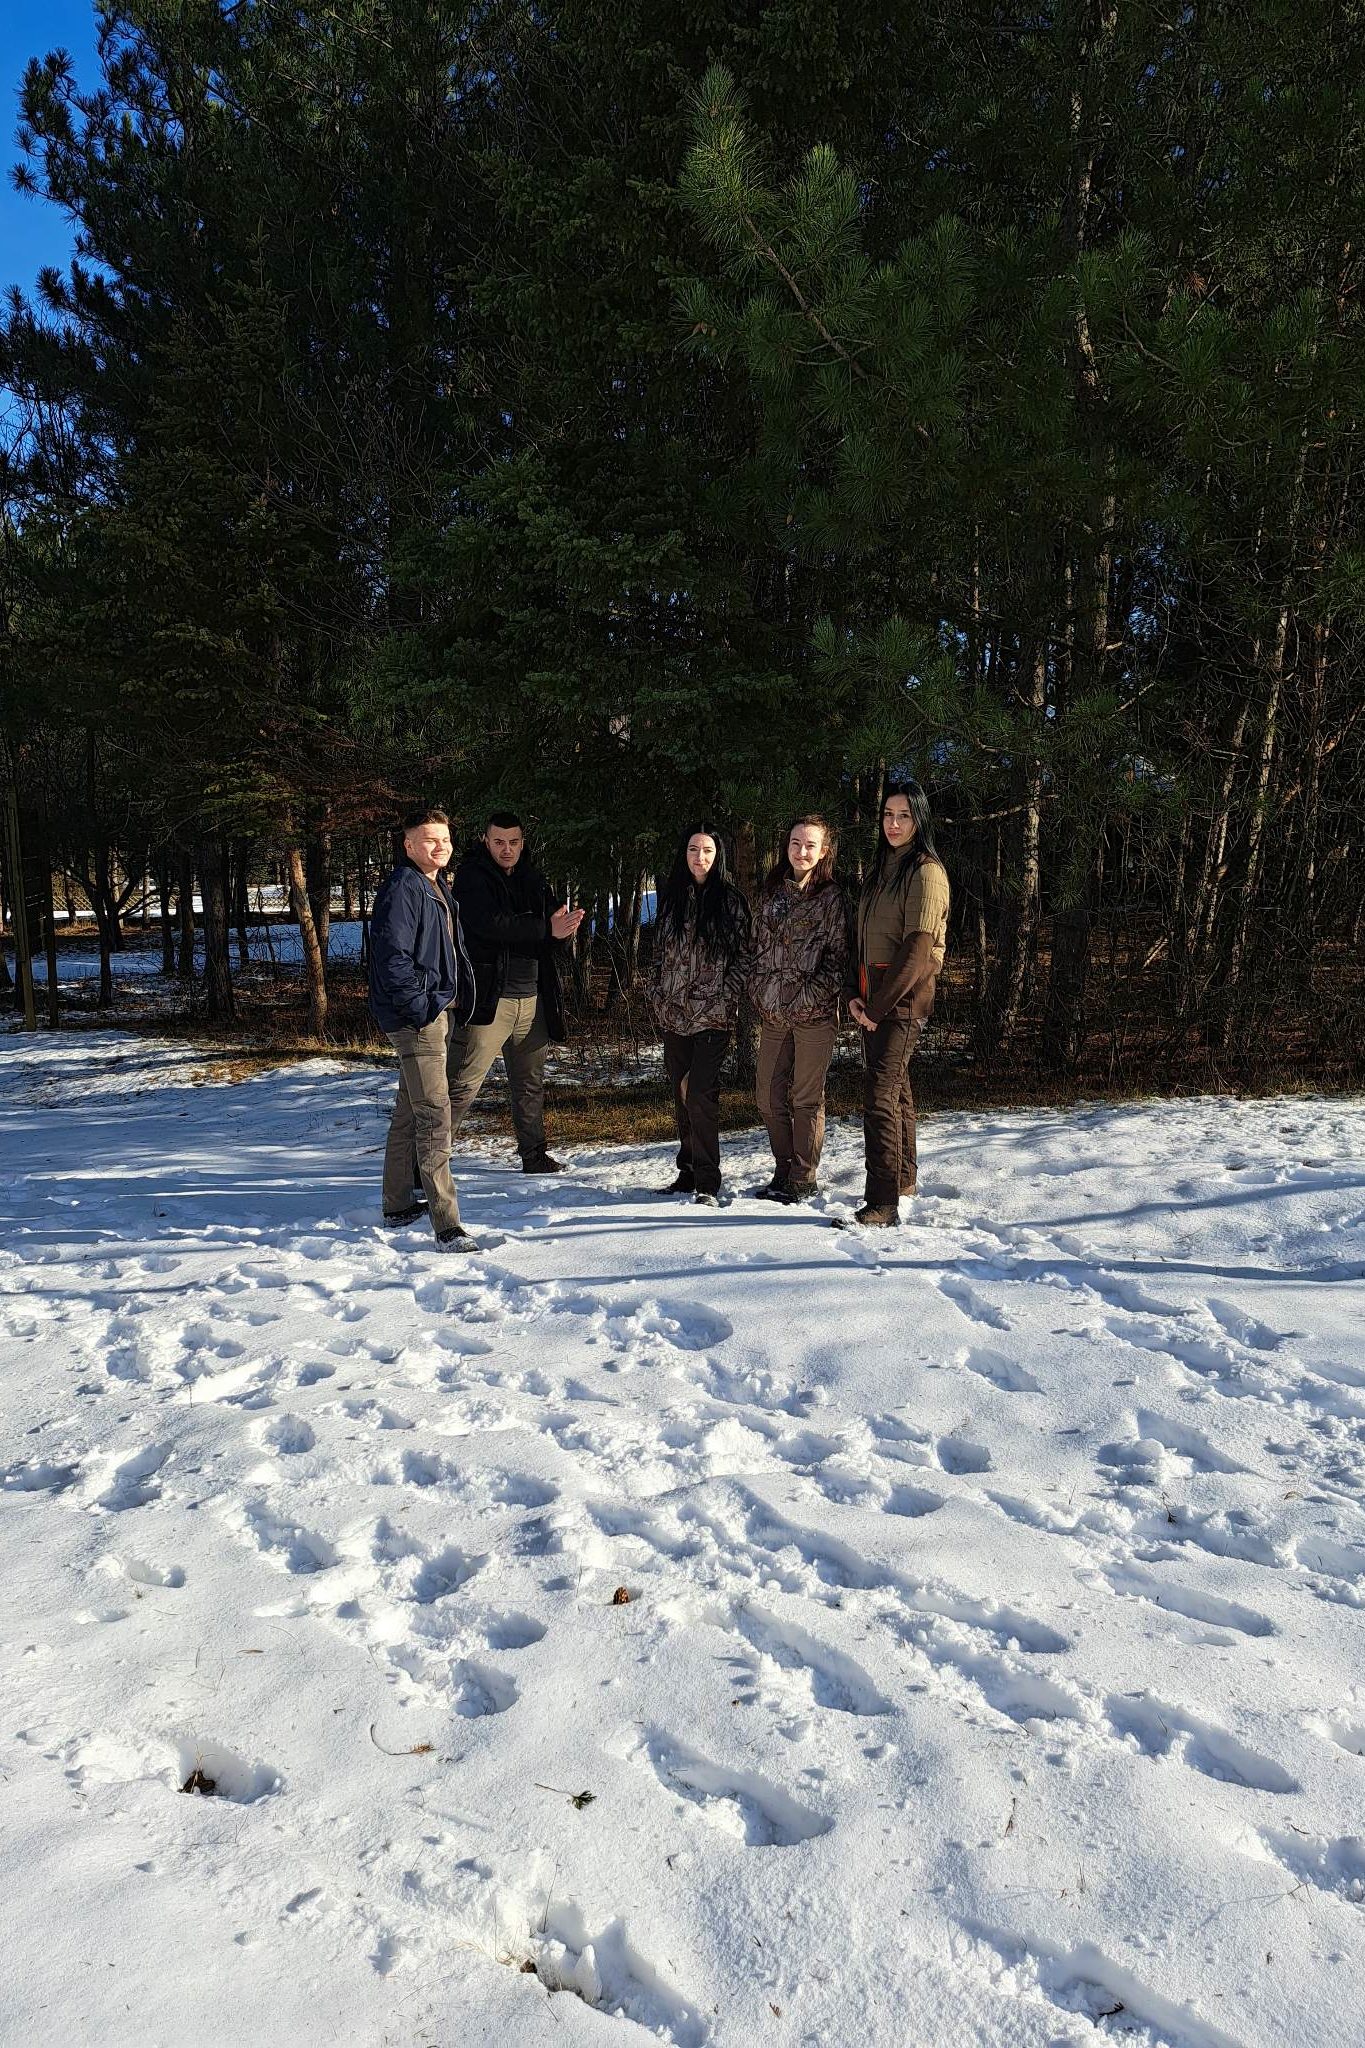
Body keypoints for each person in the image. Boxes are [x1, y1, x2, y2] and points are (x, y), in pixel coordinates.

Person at [446, 810, 584, 1171]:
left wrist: (562, 928)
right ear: (485, 841)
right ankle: (426, 1162)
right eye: (499, 842)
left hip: (532, 997)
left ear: (523, 842)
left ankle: (534, 1156)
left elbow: (551, 926)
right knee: (462, 1085)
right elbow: (489, 925)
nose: (507, 849)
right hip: (492, 1000)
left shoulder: (533, 878)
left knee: (530, 1084)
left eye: (514, 842)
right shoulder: (472, 877)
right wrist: (543, 929)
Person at [368, 807, 479, 1251]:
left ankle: (397, 1204)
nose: (440, 847)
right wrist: (420, 1007)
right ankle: (447, 1224)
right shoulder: (403, 888)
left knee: (409, 1111)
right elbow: (392, 957)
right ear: (409, 845)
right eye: (430, 840)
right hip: (420, 1018)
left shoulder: (435, 885)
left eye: (445, 839)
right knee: (435, 1115)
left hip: (435, 1011)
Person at [845, 781, 950, 1227]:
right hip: (873, 998)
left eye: (903, 815)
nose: (893, 823)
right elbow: (861, 940)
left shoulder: (925, 871)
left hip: (901, 1001)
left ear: (919, 820)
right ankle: (903, 1179)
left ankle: (883, 1201)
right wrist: (855, 994)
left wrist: (878, 1007)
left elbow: (919, 949)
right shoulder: (882, 870)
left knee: (880, 1094)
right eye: (888, 814)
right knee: (898, 1089)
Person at [748, 814, 849, 1203]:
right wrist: (760, 991)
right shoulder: (770, 893)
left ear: (824, 851)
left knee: (806, 1099)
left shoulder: (831, 897)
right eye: (795, 843)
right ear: (786, 846)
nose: (801, 851)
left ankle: (803, 1178)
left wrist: (805, 998)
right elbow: (754, 949)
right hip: (773, 1015)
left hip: (814, 1017)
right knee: (767, 1097)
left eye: (810, 845)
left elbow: (838, 959)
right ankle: (783, 1166)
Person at [649, 824, 751, 1206]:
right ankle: (688, 1169)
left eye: (707, 851)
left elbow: (744, 957)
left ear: (717, 855)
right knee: (680, 1093)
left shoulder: (730, 901)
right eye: (693, 850)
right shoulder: (672, 898)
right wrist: (657, 993)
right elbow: (658, 951)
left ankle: (708, 1180)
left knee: (700, 1096)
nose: (700, 858)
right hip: (674, 1013)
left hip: (713, 1016)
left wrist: (726, 998)